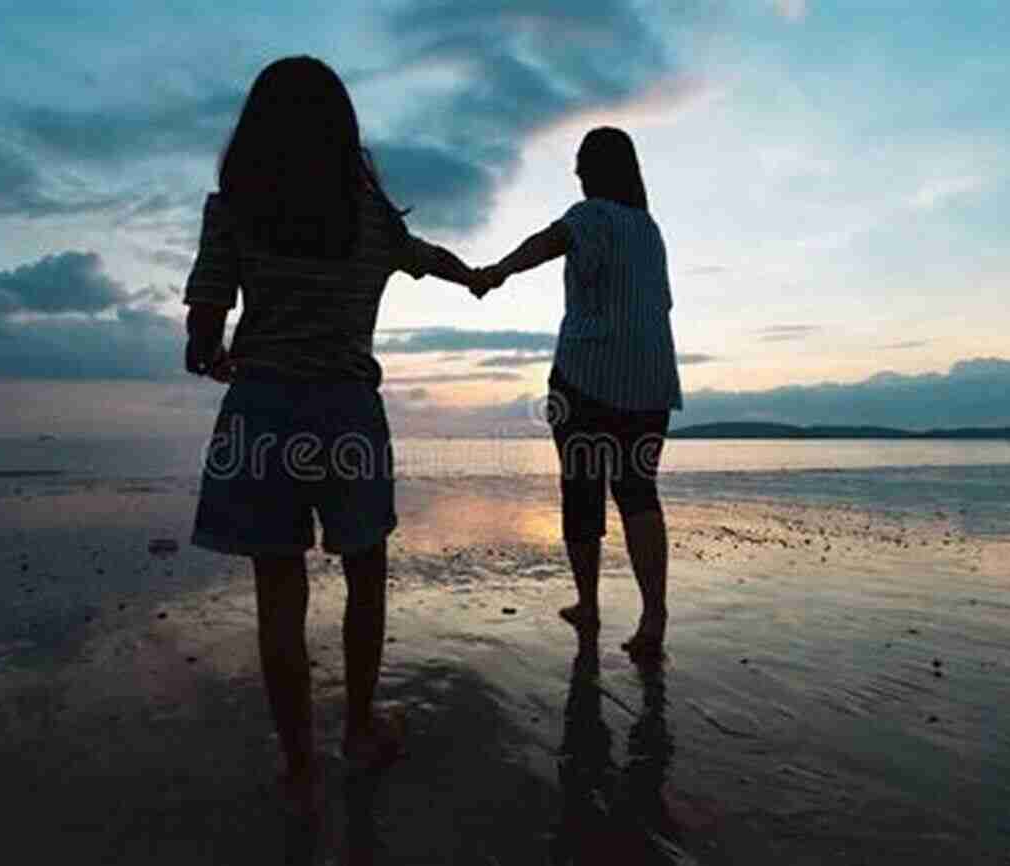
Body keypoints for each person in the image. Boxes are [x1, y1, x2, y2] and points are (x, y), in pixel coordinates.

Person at [182, 56, 480, 814]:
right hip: (346, 414)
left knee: (278, 591)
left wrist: (222, 357)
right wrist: (474, 276)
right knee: (365, 574)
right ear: (344, 133)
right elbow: (428, 259)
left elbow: (202, 335)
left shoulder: (234, 211)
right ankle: (358, 727)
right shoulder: (371, 218)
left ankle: (297, 760)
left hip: (262, 413)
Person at [470, 127, 682, 659]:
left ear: (595, 171)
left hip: (588, 375)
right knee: (638, 491)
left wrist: (497, 271)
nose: (577, 174)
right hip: (652, 380)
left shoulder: (592, 214)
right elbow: (665, 305)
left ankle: (588, 604)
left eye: (581, 165)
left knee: (582, 490)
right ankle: (653, 615)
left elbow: (548, 242)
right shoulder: (650, 229)